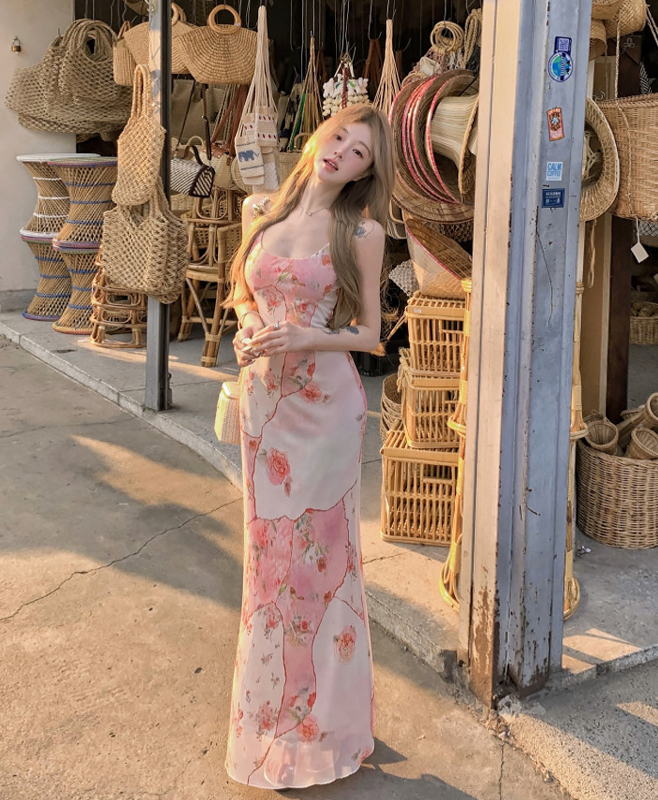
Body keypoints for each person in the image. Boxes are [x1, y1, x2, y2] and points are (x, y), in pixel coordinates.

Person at [223, 104, 395, 790]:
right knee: (268, 566)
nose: (341, 153)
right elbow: (242, 294)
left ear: (366, 173)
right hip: (264, 409)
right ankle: (272, 724)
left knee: (319, 569)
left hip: (326, 413)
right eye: (339, 136)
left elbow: (371, 335)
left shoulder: (363, 232)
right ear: (320, 132)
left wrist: (305, 336)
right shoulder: (260, 209)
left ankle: (323, 728)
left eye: (359, 153)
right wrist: (248, 327)